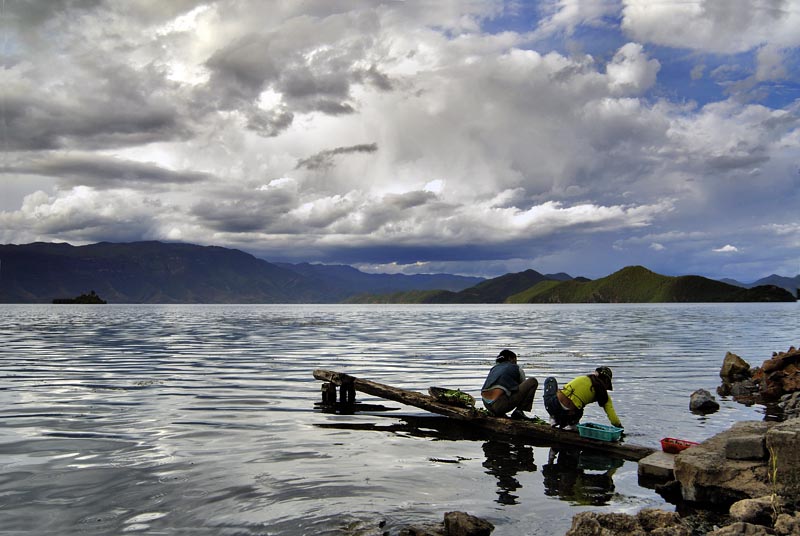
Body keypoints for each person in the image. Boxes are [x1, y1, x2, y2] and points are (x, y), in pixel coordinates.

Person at [543, 366, 622, 431]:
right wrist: (620, 428)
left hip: (553, 407)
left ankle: (554, 418)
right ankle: (571, 424)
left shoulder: (583, 378)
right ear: (607, 382)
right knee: (579, 408)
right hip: (570, 416)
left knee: (550, 380)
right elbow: (614, 419)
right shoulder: (604, 396)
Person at [481, 349, 539, 420]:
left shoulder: (494, 368)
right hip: (499, 405)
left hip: (487, 404)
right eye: (515, 360)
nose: (516, 363)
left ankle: (499, 413)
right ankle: (519, 411)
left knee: (503, 389)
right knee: (532, 381)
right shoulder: (516, 368)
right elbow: (523, 391)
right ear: (511, 359)